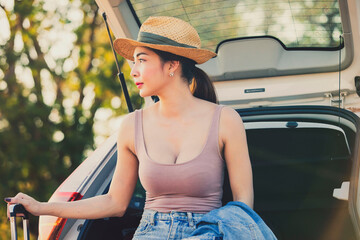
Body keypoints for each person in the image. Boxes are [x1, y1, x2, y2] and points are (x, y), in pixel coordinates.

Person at [5, 16, 253, 239]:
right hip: (151, 233)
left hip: (208, 233)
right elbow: (115, 202)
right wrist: (42, 207)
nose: (133, 71)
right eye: (133, 63)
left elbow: (244, 207)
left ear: (172, 65)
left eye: (141, 61)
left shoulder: (226, 120)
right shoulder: (131, 125)